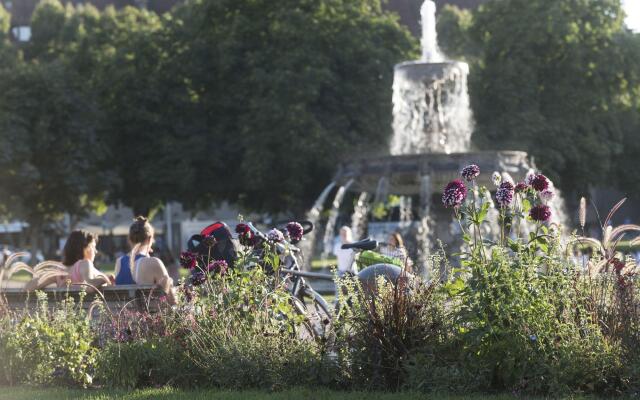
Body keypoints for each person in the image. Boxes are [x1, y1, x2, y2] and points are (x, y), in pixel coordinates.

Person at [114, 217, 176, 304]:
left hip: (121, 315)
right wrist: (170, 283)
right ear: (149, 239)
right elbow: (172, 301)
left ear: (129, 239)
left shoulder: (119, 262)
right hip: (148, 316)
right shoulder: (154, 262)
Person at [25, 230, 113, 291]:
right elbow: (90, 287)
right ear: (85, 248)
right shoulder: (85, 264)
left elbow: (29, 287)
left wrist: (67, 287)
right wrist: (106, 278)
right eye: (93, 247)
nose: (96, 251)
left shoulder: (58, 269)